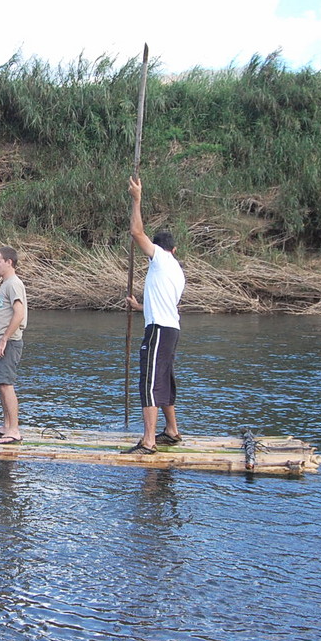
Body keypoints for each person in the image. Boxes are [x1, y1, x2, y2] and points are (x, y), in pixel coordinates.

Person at [123, 176, 186, 454]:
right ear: (175, 249)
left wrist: (137, 199)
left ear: (160, 250)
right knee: (164, 378)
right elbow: (164, 303)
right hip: (170, 329)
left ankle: (149, 442)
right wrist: (140, 307)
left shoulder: (160, 259)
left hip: (159, 330)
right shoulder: (176, 271)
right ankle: (171, 430)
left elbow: (137, 233)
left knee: (149, 382)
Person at [0, 246, 28, 444]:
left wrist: (4, 339)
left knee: (6, 384)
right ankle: (6, 425)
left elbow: (19, 314)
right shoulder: (6, 284)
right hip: (4, 340)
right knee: (2, 383)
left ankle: (14, 430)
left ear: (9, 262)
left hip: (9, 341)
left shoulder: (13, 284)